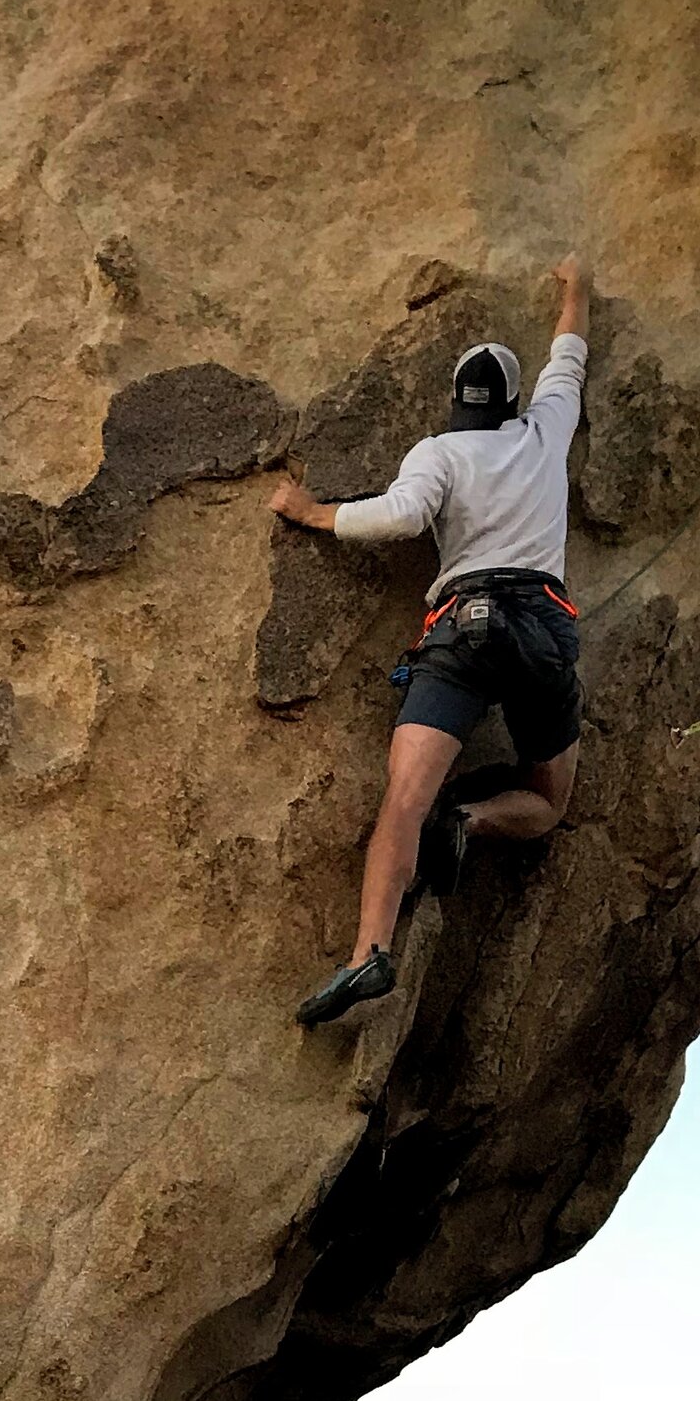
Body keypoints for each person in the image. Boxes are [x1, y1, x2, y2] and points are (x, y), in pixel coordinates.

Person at [271, 256, 591, 1026]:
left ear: (458, 402)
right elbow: (570, 353)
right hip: (542, 627)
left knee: (403, 801)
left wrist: (313, 512)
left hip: (462, 626)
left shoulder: (440, 451)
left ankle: (368, 954)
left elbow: (403, 516)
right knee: (549, 801)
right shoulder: (547, 429)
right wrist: (575, 288)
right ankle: (472, 820)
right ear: (514, 402)